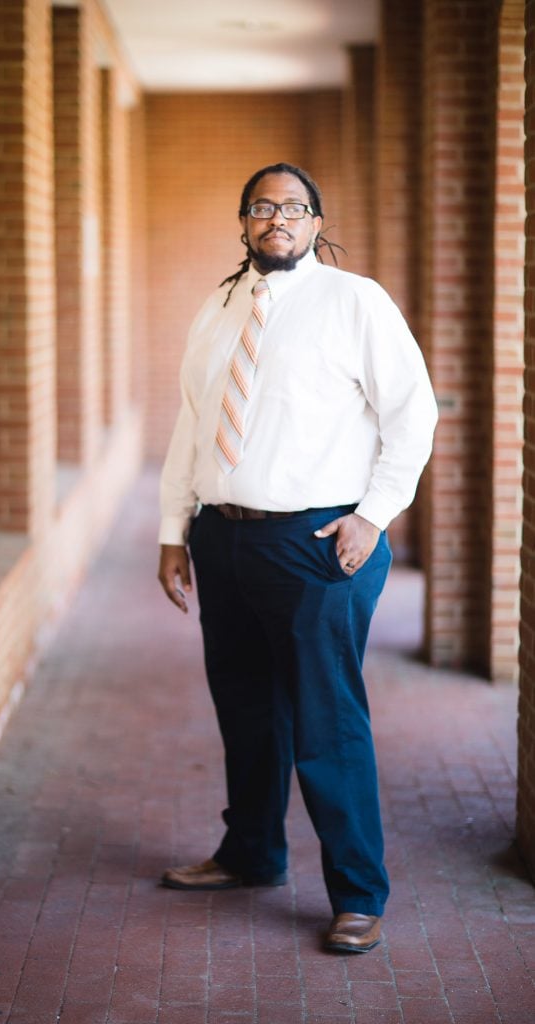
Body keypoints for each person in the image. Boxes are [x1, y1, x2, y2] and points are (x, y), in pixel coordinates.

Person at [157, 162, 437, 954]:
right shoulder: (217, 308)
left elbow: (410, 416)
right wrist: (174, 530)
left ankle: (357, 894)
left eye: (293, 207)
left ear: (316, 223)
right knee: (245, 708)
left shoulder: (355, 302)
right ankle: (250, 855)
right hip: (225, 537)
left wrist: (372, 517)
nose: (275, 217)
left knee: (326, 721)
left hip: (319, 544)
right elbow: (190, 424)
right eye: (260, 206)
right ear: (241, 222)